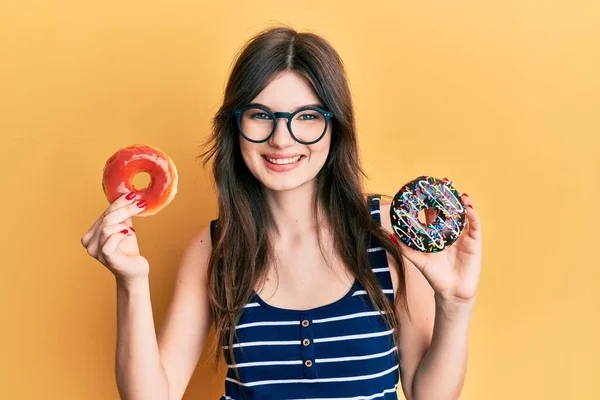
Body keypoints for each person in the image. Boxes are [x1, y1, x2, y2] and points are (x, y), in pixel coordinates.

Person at [81, 26, 482, 400]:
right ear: (235, 127)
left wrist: (456, 303)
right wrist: (130, 282)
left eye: (307, 117)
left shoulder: (388, 230)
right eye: (260, 115)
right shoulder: (213, 248)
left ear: (335, 126)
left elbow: (428, 393)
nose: (280, 138)